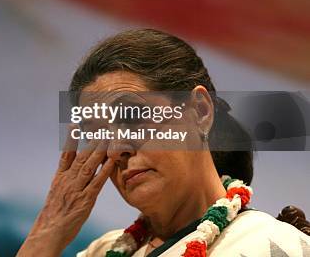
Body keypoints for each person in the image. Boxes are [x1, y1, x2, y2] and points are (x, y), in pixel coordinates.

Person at [17, 29, 310, 256]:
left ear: (200, 111)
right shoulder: (102, 252)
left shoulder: (275, 246)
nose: (117, 149)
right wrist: (45, 237)